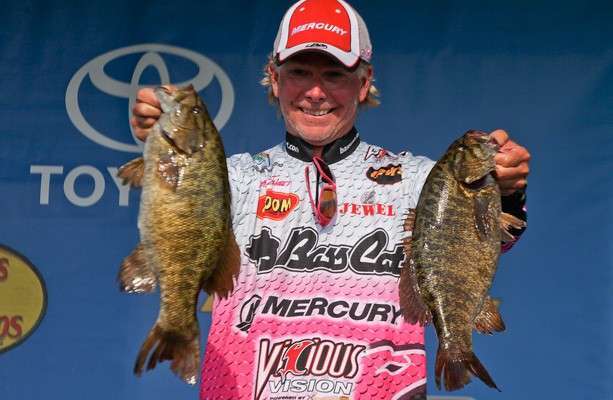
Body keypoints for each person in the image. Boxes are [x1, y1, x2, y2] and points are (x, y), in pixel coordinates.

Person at [131, 0, 530, 399]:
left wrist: (506, 189)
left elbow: (485, 241)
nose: (315, 92)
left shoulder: (420, 178)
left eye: (334, 74)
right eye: (299, 72)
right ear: (274, 78)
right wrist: (164, 142)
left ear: (364, 81)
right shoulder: (232, 177)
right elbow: (176, 218)